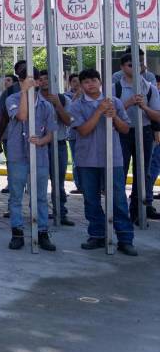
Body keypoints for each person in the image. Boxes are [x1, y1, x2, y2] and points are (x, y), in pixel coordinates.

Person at [68, 68, 136, 255]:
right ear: (81, 86)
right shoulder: (76, 106)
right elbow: (83, 130)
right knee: (91, 200)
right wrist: (99, 111)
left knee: (118, 199)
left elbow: (125, 129)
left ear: (100, 82)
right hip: (87, 159)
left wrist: (113, 116)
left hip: (112, 159)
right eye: (86, 82)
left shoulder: (114, 102)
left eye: (94, 80)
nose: (91, 84)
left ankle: (125, 237)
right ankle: (97, 234)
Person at [4, 73, 57, 251]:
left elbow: (50, 132)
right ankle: (17, 233)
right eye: (23, 80)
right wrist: (25, 92)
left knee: (40, 197)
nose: (27, 82)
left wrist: (42, 141)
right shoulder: (12, 99)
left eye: (31, 79)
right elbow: (22, 116)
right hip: (18, 155)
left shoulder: (46, 105)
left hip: (39, 156)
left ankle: (42, 232)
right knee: (16, 196)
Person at [115, 52, 160, 221]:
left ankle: (137, 211)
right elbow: (111, 113)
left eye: (139, 64)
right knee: (121, 171)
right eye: (130, 65)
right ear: (122, 67)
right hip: (123, 133)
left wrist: (145, 107)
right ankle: (120, 212)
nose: (135, 68)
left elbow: (157, 116)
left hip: (145, 132)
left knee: (143, 172)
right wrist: (127, 103)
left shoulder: (150, 88)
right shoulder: (116, 87)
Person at [36, 69, 75, 226]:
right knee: (39, 180)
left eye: (47, 79)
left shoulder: (63, 99)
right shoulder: (33, 99)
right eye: (41, 79)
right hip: (39, 145)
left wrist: (58, 105)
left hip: (58, 144)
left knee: (58, 182)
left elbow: (69, 121)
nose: (44, 82)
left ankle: (61, 212)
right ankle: (39, 213)